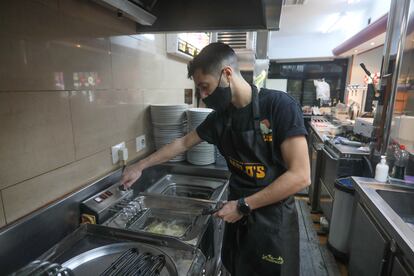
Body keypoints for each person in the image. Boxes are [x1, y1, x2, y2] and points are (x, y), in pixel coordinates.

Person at [121, 42, 310, 276]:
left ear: (227, 74)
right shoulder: (221, 118)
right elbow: (182, 143)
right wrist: (140, 165)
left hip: (272, 219)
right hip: (237, 212)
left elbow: (300, 176)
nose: (202, 96)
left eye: (205, 87)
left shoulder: (279, 107)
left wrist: (244, 206)